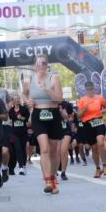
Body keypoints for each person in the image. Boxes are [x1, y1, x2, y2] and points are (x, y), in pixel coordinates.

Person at [22, 56, 64, 194]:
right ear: (34, 65)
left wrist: (47, 89)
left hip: (53, 114)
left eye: (44, 63)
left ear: (47, 65)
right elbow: (24, 94)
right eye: (38, 63)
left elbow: (59, 99)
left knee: (53, 150)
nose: (41, 65)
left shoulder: (54, 77)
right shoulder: (29, 79)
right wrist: (28, 102)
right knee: (44, 148)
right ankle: (48, 180)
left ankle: (53, 178)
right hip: (38, 115)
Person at [76, 82, 106, 179]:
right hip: (87, 124)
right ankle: (98, 168)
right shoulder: (82, 100)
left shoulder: (99, 97)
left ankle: (105, 166)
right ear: (85, 90)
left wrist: (104, 111)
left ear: (94, 88)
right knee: (94, 148)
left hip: (99, 121)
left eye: (91, 89)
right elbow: (78, 115)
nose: (90, 91)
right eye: (88, 89)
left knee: (100, 143)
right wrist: (84, 110)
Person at [6, 96, 29, 176]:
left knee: (23, 148)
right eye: (15, 99)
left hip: (23, 131)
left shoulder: (24, 109)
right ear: (13, 101)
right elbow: (11, 118)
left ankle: (24, 165)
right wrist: (17, 117)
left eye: (18, 99)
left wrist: (21, 118)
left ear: (20, 100)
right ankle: (21, 167)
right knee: (18, 148)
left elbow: (26, 119)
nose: (17, 100)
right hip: (14, 132)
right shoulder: (11, 110)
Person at [57, 99, 76, 181]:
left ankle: (63, 172)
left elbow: (69, 116)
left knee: (64, 150)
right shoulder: (49, 103)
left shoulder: (66, 104)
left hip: (65, 129)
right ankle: (55, 169)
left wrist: (61, 110)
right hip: (55, 130)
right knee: (56, 152)